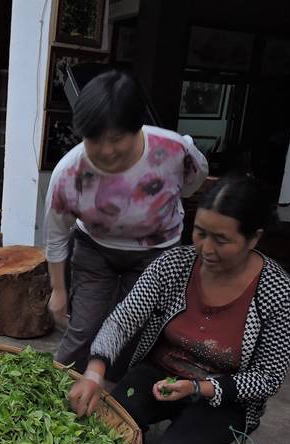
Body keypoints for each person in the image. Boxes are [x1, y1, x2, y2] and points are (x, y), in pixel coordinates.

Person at [68, 175, 290, 444]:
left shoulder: (276, 292)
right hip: (162, 370)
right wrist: (94, 371)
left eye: (222, 239)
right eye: (200, 232)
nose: (206, 248)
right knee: (112, 422)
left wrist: (199, 388)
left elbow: (269, 377)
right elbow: (123, 319)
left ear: (254, 239)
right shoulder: (173, 266)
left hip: (227, 394)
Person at [45, 70, 208, 384]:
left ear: (137, 128)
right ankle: (50, 394)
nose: (106, 151)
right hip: (95, 249)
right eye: (94, 140)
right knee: (84, 328)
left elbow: (192, 182)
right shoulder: (69, 173)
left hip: (156, 254)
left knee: (134, 331)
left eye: (117, 139)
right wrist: (58, 290)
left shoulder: (173, 150)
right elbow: (55, 234)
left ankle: (116, 401)